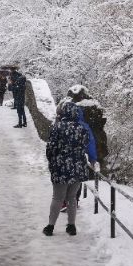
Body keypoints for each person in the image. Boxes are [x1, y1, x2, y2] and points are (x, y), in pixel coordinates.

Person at [43, 98, 97, 237]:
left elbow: (51, 148)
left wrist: (53, 162)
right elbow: (87, 145)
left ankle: (50, 226)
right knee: (72, 198)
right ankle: (71, 226)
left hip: (60, 167)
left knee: (57, 198)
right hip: (78, 167)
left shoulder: (57, 127)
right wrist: (91, 159)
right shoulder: (82, 128)